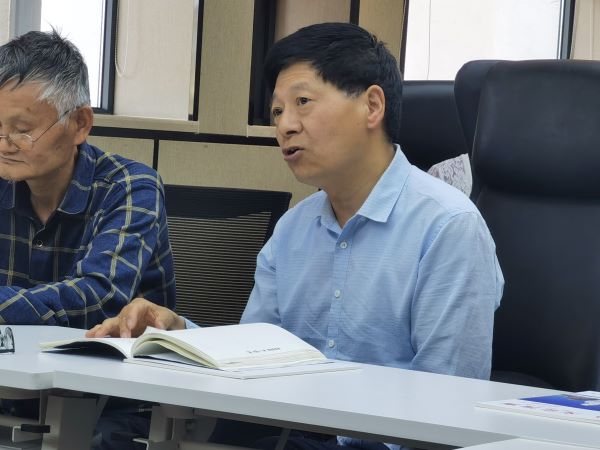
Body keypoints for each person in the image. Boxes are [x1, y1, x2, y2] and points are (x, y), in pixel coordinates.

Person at [88, 22, 503, 450]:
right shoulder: (293, 229)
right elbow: (253, 356)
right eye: (277, 112)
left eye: (302, 102)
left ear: (372, 106)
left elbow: (448, 399)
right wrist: (174, 333)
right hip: (287, 433)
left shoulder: (448, 227)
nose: (285, 126)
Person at [0, 30, 176, 450]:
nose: (4, 145)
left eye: (21, 130)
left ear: (80, 123)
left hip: (114, 401)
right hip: (13, 392)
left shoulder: (130, 186)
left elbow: (98, 296)